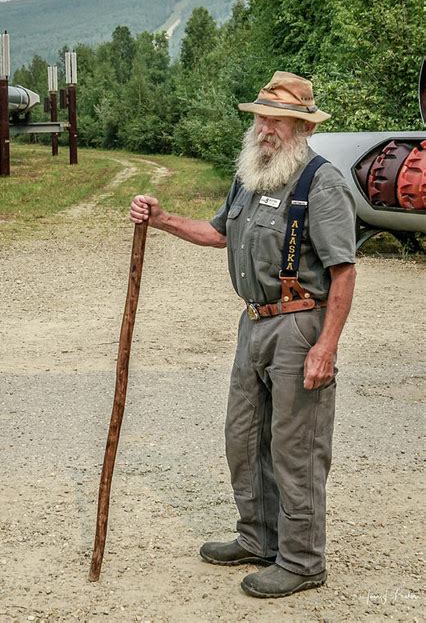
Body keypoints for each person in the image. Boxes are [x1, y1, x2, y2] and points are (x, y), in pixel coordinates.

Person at [129, 71, 357, 598]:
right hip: (253, 321)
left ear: (301, 126)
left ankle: (302, 561)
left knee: (296, 447)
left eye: (276, 119)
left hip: (301, 324)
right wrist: (162, 219)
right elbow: (217, 232)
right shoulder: (251, 176)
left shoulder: (319, 183)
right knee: (244, 437)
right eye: (259, 116)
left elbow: (343, 271)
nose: (264, 127)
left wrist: (327, 345)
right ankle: (259, 538)